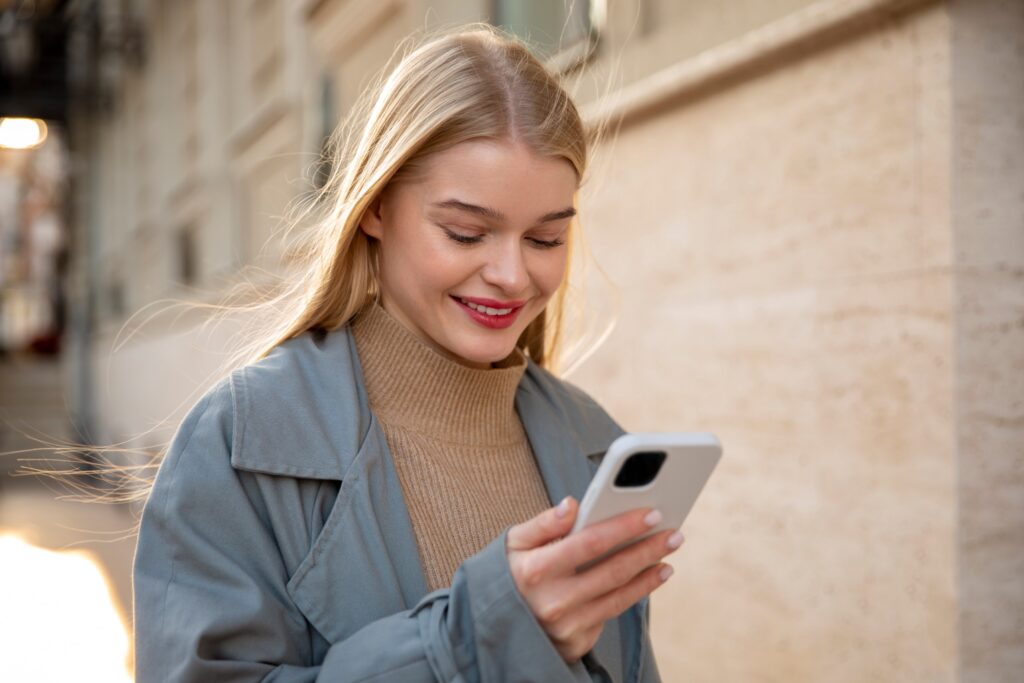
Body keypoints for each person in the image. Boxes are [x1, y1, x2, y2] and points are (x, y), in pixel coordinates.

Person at [132, 23, 683, 682]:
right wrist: (465, 643)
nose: (511, 274)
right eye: (466, 231)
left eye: (544, 239)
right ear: (375, 208)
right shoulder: (240, 443)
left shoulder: (594, 445)